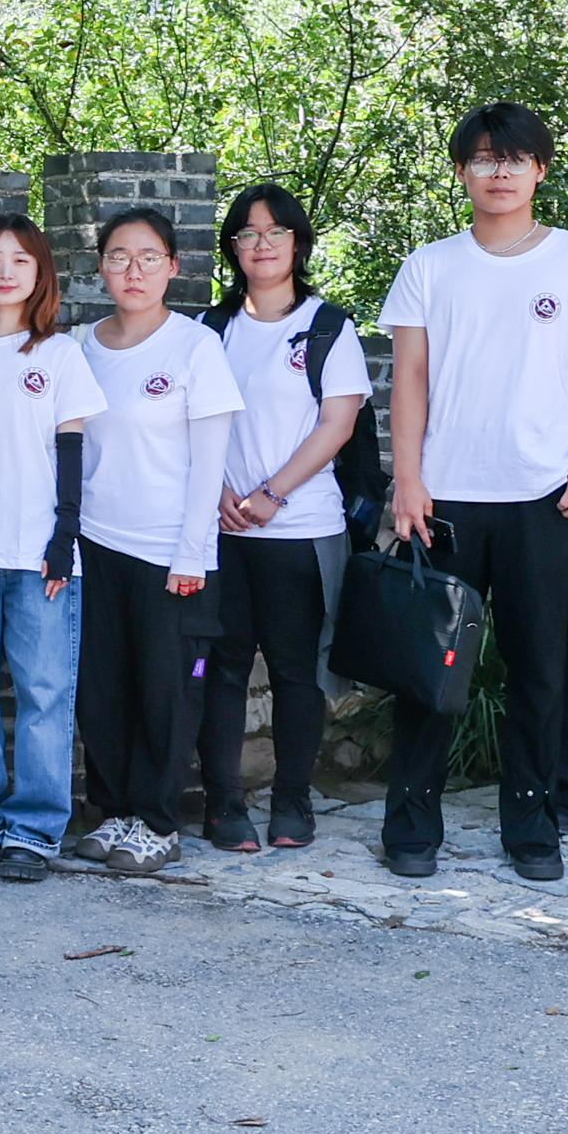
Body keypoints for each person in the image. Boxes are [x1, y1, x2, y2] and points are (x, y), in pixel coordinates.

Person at [377, 103, 568, 884]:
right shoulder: (430, 265)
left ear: (540, 170)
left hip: (545, 498)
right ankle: (410, 820)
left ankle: (531, 821)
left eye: (516, 159)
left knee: (539, 668)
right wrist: (408, 479)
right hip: (446, 500)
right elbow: (410, 378)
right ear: (462, 171)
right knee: (430, 668)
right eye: (486, 159)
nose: (501, 172)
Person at [62, 208, 244, 877]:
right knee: (102, 689)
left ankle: (158, 822)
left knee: (167, 691)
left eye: (148, 258)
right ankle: (113, 811)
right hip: (95, 544)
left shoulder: (195, 347)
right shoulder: (79, 346)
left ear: (173, 266)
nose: (132, 271)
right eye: (118, 257)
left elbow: (209, 462)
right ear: (101, 267)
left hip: (170, 552)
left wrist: (192, 552)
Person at [196, 183, 370, 854]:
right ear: (232, 248)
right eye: (247, 233)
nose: (262, 244)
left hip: (301, 529)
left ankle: (293, 799)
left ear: (298, 242)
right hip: (222, 530)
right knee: (222, 669)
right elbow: (190, 421)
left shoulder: (327, 327)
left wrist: (272, 493)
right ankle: (223, 804)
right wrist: (216, 491)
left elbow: (337, 423)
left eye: (275, 232)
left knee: (298, 671)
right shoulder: (209, 330)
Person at [0, 214, 100, 882]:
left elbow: (72, 452)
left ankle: (34, 829)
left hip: (40, 555)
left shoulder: (58, 354)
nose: (5, 272)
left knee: (43, 691)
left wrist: (65, 536)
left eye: (21, 261)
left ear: (41, 275)